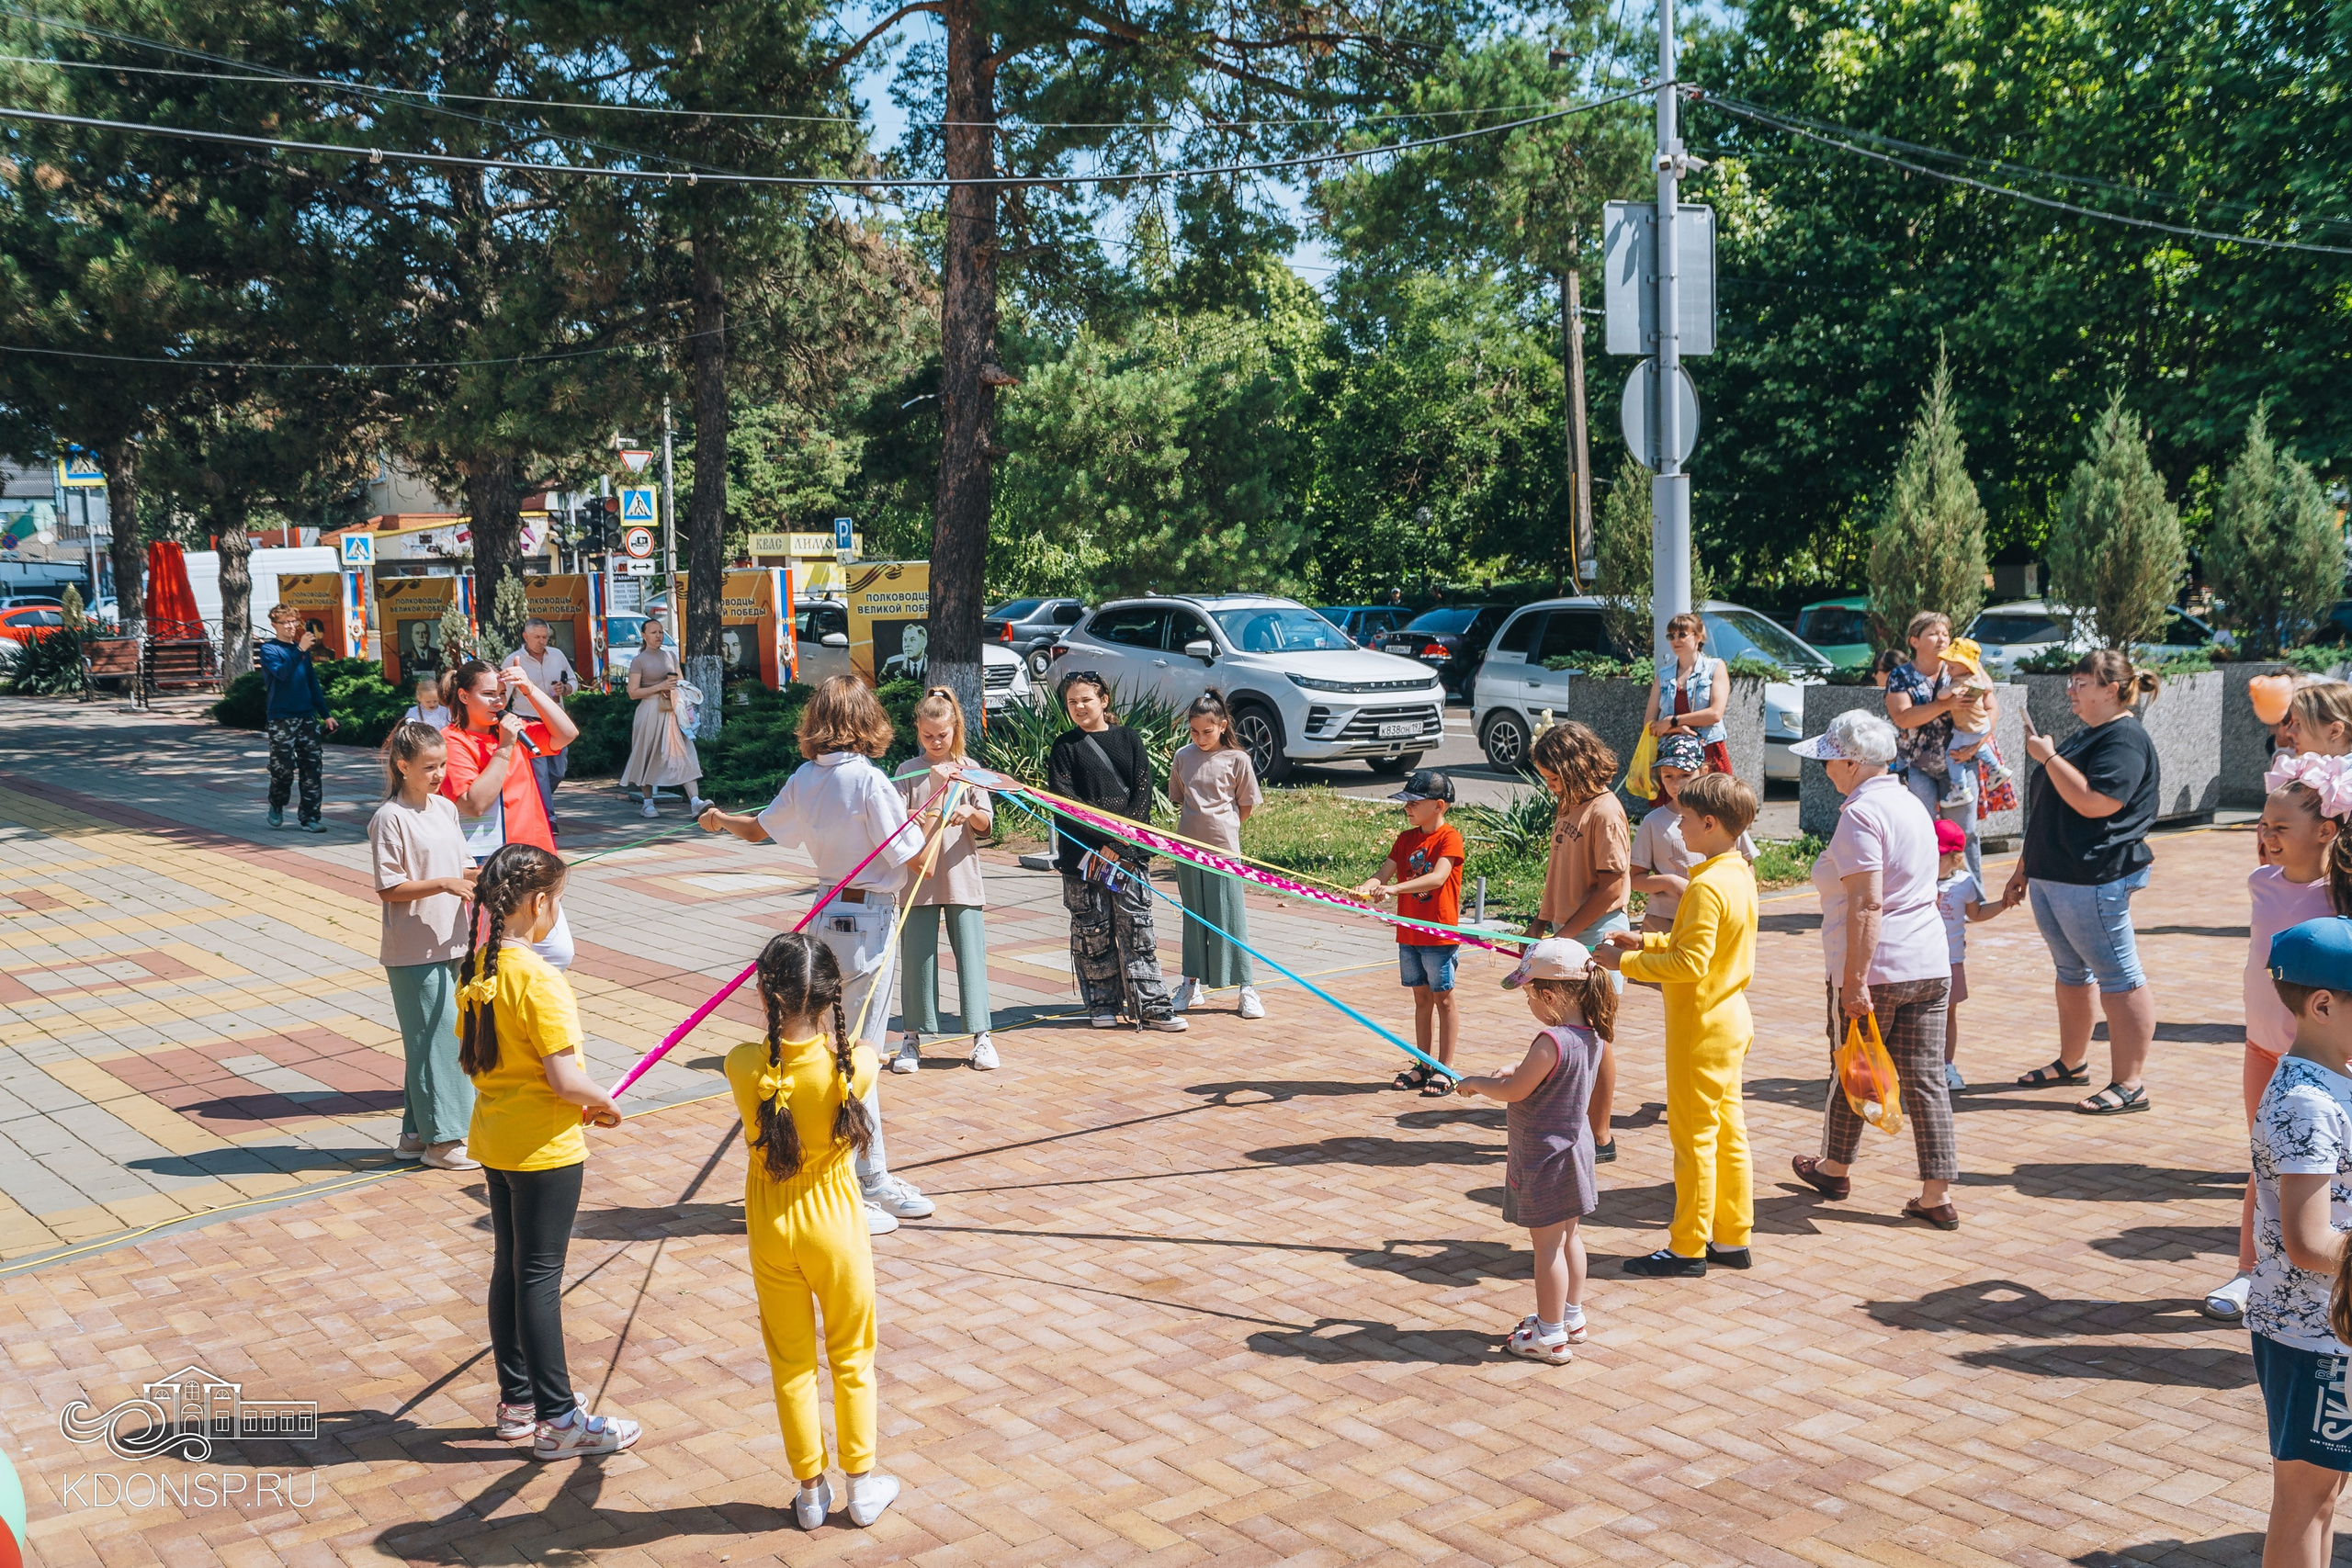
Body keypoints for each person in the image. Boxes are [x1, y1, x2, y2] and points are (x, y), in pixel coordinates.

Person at [699, 675, 940, 1235]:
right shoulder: (868, 781)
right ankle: (859, 1180)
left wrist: (719, 820)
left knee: (840, 1047)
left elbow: (760, 830)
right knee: (859, 1055)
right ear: (867, 721)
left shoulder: (806, 777)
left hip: (829, 912)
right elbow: (908, 851)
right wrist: (938, 809)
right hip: (869, 917)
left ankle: (868, 1175)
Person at [458, 843, 639, 1459]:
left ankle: (519, 1402)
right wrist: (604, 1098)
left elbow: (500, 1062)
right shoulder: (539, 979)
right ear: (537, 903)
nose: (556, 912)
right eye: (557, 901)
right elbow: (564, 1080)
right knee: (538, 1276)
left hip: (496, 1138)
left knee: (512, 1266)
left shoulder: (479, 969)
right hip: (544, 1147)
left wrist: (585, 1096)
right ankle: (559, 1417)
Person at [726, 932, 900, 1530]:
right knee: (852, 1355)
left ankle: (809, 1491)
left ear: (763, 993)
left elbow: (764, 1061)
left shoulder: (742, 1064)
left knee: (791, 1362)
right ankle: (861, 1484)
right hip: (837, 1229)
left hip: (771, 1226)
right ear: (832, 996)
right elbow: (870, 1050)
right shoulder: (856, 1065)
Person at [1785, 711, 1963, 1230]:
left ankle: (1835, 1167)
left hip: (1878, 966)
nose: (1825, 770)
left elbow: (1867, 904)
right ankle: (1936, 1193)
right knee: (1927, 1079)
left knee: (1853, 1065)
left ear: (1850, 761)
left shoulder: (1861, 814)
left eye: (1828, 760)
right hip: (1929, 961)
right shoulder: (1912, 803)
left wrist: (1855, 980)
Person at [2206, 756, 2352, 1324]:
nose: (2266, 835)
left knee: (2320, 1163)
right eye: (2262, 824)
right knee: (2263, 1160)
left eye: (2280, 827)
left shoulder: (2339, 897)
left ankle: (2325, 1269)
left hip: (2329, 1058)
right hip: (2263, 1047)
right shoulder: (2260, 882)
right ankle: (2248, 1272)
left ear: (2326, 830)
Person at [1598, 772, 1759, 1276]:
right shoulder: (1735, 872)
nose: (1679, 826)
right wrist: (1644, 943)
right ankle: (1732, 1237)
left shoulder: (1707, 884)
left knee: (1694, 1141)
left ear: (1710, 823)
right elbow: (1703, 948)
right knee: (1729, 1134)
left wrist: (1621, 963)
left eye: (1685, 819)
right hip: (1729, 1020)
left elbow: (1691, 964)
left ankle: (1688, 1245)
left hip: (1700, 1028)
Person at [2006, 650, 2164, 1114]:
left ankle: (2130, 1083)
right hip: (2056, 872)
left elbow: (2097, 803)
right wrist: (2024, 866)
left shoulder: (2125, 739)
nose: (2071, 690)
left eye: (2081, 682)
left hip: (2094, 875)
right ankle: (2072, 1063)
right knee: (2072, 974)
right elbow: (2049, 809)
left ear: (2111, 689)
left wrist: (2049, 755)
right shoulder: (2091, 734)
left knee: (2120, 977)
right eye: (2072, 681)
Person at [2246, 918, 2352, 1567]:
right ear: (2322, 1004)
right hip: (2311, 1331)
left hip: (2332, 1327)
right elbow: (2310, 1241)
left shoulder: (2334, 1075)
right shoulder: (2307, 1102)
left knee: (2327, 1488)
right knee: (2305, 1495)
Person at [1456, 937, 1614, 1365]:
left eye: (1528, 994)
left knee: (1545, 1247)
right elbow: (1546, 1075)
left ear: (1549, 995)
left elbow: (1516, 1089)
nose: (1528, 1003)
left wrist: (1475, 1083)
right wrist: (1515, 1067)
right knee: (1569, 1238)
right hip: (1574, 1151)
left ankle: (1549, 1335)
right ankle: (1571, 1317)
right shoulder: (1591, 1034)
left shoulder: (1551, 1039)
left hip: (1546, 1159)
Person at [1046, 671, 1187, 1032]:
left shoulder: (1129, 739)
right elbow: (1065, 801)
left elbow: (1142, 795)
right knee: (1091, 930)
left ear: (1103, 700)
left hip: (1128, 856)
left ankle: (1153, 1005)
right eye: (1072, 701)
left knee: (1137, 929)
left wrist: (1120, 844)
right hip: (1082, 855)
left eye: (1086, 700)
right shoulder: (1064, 748)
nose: (1079, 707)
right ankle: (1101, 1003)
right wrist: (1101, 843)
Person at [370, 722, 479, 1171]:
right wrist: (443, 883)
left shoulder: (446, 809)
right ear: (402, 766)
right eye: (429, 767)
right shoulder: (389, 818)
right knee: (439, 1042)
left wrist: (496, 875)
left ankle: (416, 1136)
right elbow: (389, 887)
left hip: (453, 940)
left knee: (430, 1040)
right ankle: (446, 1141)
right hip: (413, 948)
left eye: (442, 765)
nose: (438, 774)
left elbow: (465, 868)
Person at [1522, 721, 1630, 1163]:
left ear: (1574, 766)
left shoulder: (1604, 811)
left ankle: (1600, 1137)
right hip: (1567, 929)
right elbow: (1558, 872)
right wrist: (1541, 920)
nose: (1549, 787)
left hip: (1594, 934)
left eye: (1552, 777)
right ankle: (1580, 1124)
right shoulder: (1569, 805)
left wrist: (1565, 937)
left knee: (1596, 1037)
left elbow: (1611, 883)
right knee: (1572, 1033)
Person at [440, 660, 582, 970]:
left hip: (536, 859)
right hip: (491, 867)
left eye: (503, 694)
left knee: (557, 951)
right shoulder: (452, 740)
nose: (498, 702)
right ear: (464, 696)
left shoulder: (511, 730)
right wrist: (504, 747)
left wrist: (530, 689)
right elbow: (474, 803)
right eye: (489, 694)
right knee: (493, 959)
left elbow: (567, 733)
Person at [891, 687, 998, 1073]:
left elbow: (987, 825)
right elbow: (893, 819)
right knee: (916, 958)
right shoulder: (907, 771)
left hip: (961, 876)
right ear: (917, 731)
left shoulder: (970, 769)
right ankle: (911, 1038)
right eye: (928, 736)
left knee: (971, 956)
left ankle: (981, 1037)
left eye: (943, 735)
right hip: (917, 878)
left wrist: (969, 809)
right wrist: (915, 811)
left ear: (955, 729)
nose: (936, 742)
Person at [1355, 769, 1465, 1094]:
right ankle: (1423, 1063)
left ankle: (1445, 1069)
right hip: (1409, 933)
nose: (1407, 808)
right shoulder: (1405, 839)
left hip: (1438, 934)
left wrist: (1393, 890)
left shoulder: (1450, 838)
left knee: (1443, 999)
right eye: (1406, 803)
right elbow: (1384, 872)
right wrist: (1369, 885)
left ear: (1439, 805)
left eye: (1414, 802)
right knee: (1421, 999)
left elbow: (1437, 877)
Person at [1167, 689, 1265, 1021]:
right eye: (1193, 731)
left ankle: (1246, 988)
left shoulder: (1238, 759)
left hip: (1223, 851)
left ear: (1222, 726)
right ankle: (1190, 983)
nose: (1200, 738)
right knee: (1194, 917)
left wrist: (1225, 829)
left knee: (1231, 918)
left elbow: (1246, 805)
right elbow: (1179, 798)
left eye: (1207, 731)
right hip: (1186, 849)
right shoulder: (1183, 756)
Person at [1883, 611, 1983, 878]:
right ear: (1914, 640)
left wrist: (1978, 743)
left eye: (1946, 634)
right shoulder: (1901, 676)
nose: (1942, 639)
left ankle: (1971, 899)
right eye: (1933, 633)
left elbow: (1991, 707)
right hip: (1917, 766)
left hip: (1961, 762)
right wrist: (1944, 705)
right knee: (1921, 831)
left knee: (1965, 834)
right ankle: (1921, 895)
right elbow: (1902, 717)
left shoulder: (1963, 667)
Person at [1630, 733, 1758, 942]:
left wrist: (1747, 902)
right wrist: (1671, 883)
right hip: (1664, 919)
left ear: (1704, 771)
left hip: (1714, 916)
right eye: (1668, 776)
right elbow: (1636, 879)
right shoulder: (1653, 821)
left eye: (1685, 775)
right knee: (1653, 970)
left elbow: (1747, 865)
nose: (1676, 784)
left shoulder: (1723, 814)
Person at [1932, 817, 2005, 1091]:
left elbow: (1976, 913)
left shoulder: (1963, 883)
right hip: (1920, 961)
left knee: (1948, 1015)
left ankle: (1946, 1065)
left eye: (1938, 857)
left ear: (1956, 858)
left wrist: (2003, 904)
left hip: (1951, 963)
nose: (1931, 862)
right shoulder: (1916, 880)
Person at [257, 603, 339, 832]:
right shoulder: (270, 650)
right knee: (282, 769)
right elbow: (282, 674)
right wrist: (300, 650)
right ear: (274, 625)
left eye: (294, 621)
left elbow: (311, 684)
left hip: (306, 717)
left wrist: (326, 715)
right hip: (281, 717)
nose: (291, 626)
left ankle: (310, 817)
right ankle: (277, 802)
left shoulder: (300, 651)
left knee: (312, 767)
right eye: (285, 622)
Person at [621, 616, 706, 819]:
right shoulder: (639, 661)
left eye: (660, 632)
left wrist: (678, 692)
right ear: (644, 635)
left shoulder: (670, 656)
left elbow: (681, 681)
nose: (658, 636)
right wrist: (659, 687)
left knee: (684, 752)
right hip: (650, 710)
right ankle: (648, 803)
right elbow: (633, 692)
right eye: (653, 632)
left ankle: (695, 801)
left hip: (672, 711)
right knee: (646, 754)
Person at [503, 618, 578, 832]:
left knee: (558, 771)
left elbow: (574, 682)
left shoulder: (557, 655)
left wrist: (567, 688)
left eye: (545, 637)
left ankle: (537, 800)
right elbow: (504, 695)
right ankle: (549, 818)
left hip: (555, 722)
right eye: (537, 637)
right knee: (541, 773)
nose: (542, 641)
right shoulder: (513, 660)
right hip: (528, 721)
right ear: (525, 636)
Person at [1643, 612, 1733, 778]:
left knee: (1713, 800)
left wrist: (1673, 721)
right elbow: (1649, 724)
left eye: (1682, 634)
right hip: (1672, 753)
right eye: (1671, 636)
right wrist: (1677, 728)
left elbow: (1715, 714)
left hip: (1708, 748)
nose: (1676, 640)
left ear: (1699, 637)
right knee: (1675, 802)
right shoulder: (1664, 675)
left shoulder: (1715, 667)